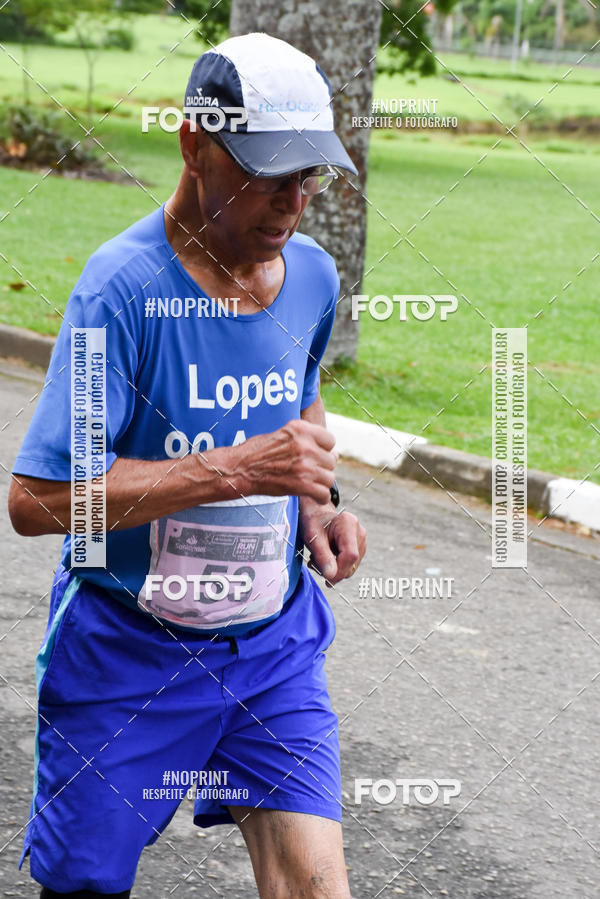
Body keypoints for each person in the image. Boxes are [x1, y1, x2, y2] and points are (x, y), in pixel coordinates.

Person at [8, 32, 366, 898]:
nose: (293, 202)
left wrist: (318, 504)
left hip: (272, 646)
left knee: (318, 887)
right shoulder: (119, 292)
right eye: (267, 172)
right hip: (127, 656)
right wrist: (235, 470)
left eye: (310, 175)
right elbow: (39, 501)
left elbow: (297, 396)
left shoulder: (312, 278)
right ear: (194, 145)